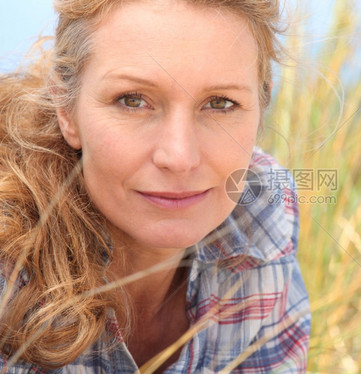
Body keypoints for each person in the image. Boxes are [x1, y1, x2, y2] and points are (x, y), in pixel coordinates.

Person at [0, 0, 310, 372]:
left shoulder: (261, 211)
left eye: (220, 103)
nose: (180, 157)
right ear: (67, 111)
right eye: (133, 101)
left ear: (261, 106)